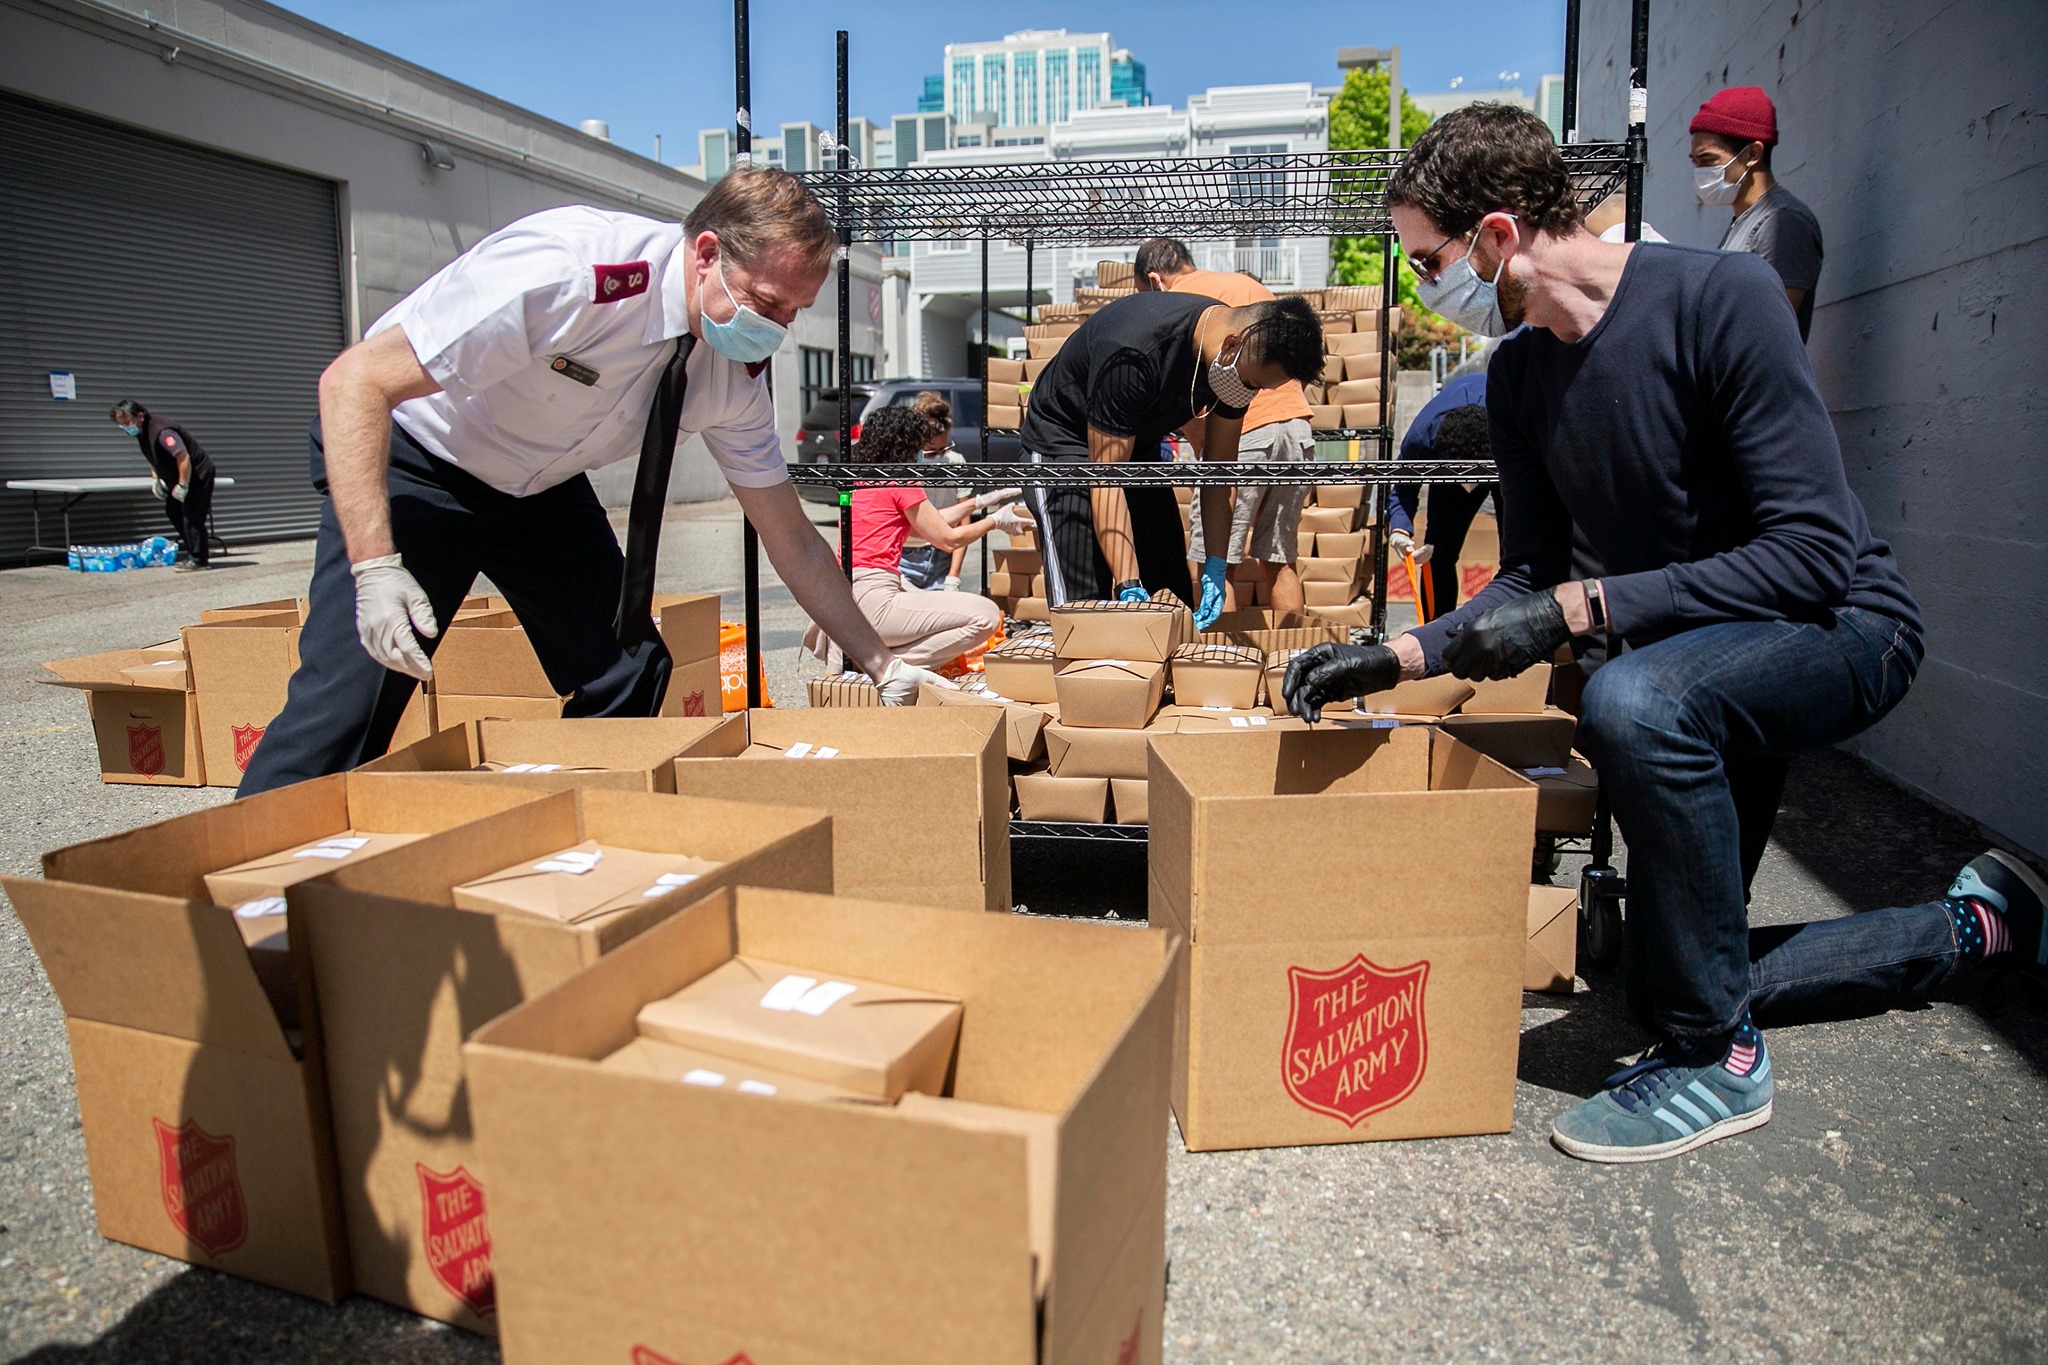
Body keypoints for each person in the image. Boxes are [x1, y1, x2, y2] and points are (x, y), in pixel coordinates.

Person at [1282, 103, 2046, 1163]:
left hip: (1835, 628)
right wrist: (1393, 656)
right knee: (1671, 970)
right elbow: (1530, 574)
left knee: (1629, 698)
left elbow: (1812, 553)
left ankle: (1715, 1060)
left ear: (1497, 235)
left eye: (1428, 261)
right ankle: (1974, 929)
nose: (1423, 288)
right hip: (1699, 658)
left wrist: (1585, 609)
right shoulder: (1521, 377)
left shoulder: (1721, 299)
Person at [238, 167, 949, 797]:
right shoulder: (574, 274)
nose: (779, 328)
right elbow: (355, 381)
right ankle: (239, 886)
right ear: (707, 253)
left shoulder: (731, 373)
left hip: (539, 486)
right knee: (352, 704)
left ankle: (560, 833)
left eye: (794, 311)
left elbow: (789, 534)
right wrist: (374, 567)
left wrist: (880, 662)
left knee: (628, 669)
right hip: (421, 460)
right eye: (767, 303)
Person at [1016, 289, 1324, 627]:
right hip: (1064, 445)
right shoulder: (1134, 352)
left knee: (1170, 593)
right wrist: (1128, 583)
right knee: (1086, 611)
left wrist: (1216, 565)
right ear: (1232, 344)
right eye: (1252, 382)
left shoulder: (1231, 367)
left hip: (1136, 447)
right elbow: (1106, 476)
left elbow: (1219, 471)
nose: (1249, 392)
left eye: (1259, 388)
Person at [1134, 237, 1317, 617]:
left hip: (1246, 430)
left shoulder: (1178, 304)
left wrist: (1210, 462)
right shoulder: (1246, 285)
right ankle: (1295, 650)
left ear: (1154, 279)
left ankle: (1222, 654)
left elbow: (1184, 397)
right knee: (1280, 559)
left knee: (1218, 563)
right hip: (1296, 428)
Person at [806, 404, 1022, 671]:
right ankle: (884, 665)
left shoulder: (860, 480)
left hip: (843, 596)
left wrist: (977, 503)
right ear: (907, 446)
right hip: (874, 598)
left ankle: (869, 659)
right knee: (986, 616)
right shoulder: (901, 481)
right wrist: (994, 521)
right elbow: (947, 540)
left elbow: (929, 524)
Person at [1689, 86, 1823, 340]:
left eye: (1708, 160)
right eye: (1695, 162)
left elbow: (1770, 330)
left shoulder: (1783, 222)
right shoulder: (1743, 222)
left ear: (1752, 154)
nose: (1700, 172)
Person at [1387, 373, 1494, 619]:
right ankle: (1435, 628)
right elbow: (1404, 485)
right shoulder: (1422, 437)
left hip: (1502, 464)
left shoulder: (1513, 422)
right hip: (1448, 470)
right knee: (1438, 554)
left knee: (1517, 554)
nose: (1469, 487)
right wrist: (1400, 531)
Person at [110, 400, 215, 572]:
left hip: (196, 475)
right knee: (173, 511)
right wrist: (156, 478)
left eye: (128, 422)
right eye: (122, 424)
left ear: (140, 416)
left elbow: (183, 457)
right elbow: (154, 456)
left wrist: (183, 484)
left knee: (192, 516)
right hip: (179, 477)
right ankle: (193, 550)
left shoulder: (162, 431)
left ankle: (199, 559)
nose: (126, 427)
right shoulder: (143, 432)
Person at [896, 390, 969, 591]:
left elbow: (963, 524)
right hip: (906, 558)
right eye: (931, 452)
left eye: (944, 449)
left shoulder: (955, 462)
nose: (938, 457)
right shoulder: (905, 466)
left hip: (943, 557)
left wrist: (953, 575)